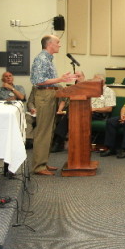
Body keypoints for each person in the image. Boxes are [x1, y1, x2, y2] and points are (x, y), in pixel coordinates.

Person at [30, 35, 77, 175]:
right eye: (57, 42)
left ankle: (43, 163)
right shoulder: (41, 59)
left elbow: (49, 80)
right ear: (49, 44)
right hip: (44, 96)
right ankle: (38, 166)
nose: (60, 45)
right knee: (43, 131)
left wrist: (62, 81)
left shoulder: (48, 59)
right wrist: (60, 79)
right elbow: (38, 81)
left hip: (51, 95)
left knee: (49, 131)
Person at [52, 74, 116, 152]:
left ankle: (59, 141)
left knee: (73, 115)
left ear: (102, 82)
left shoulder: (109, 91)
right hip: (86, 110)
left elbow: (109, 109)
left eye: (94, 81)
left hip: (98, 113)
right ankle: (59, 141)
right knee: (71, 112)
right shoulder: (91, 90)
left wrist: (93, 109)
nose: (92, 83)